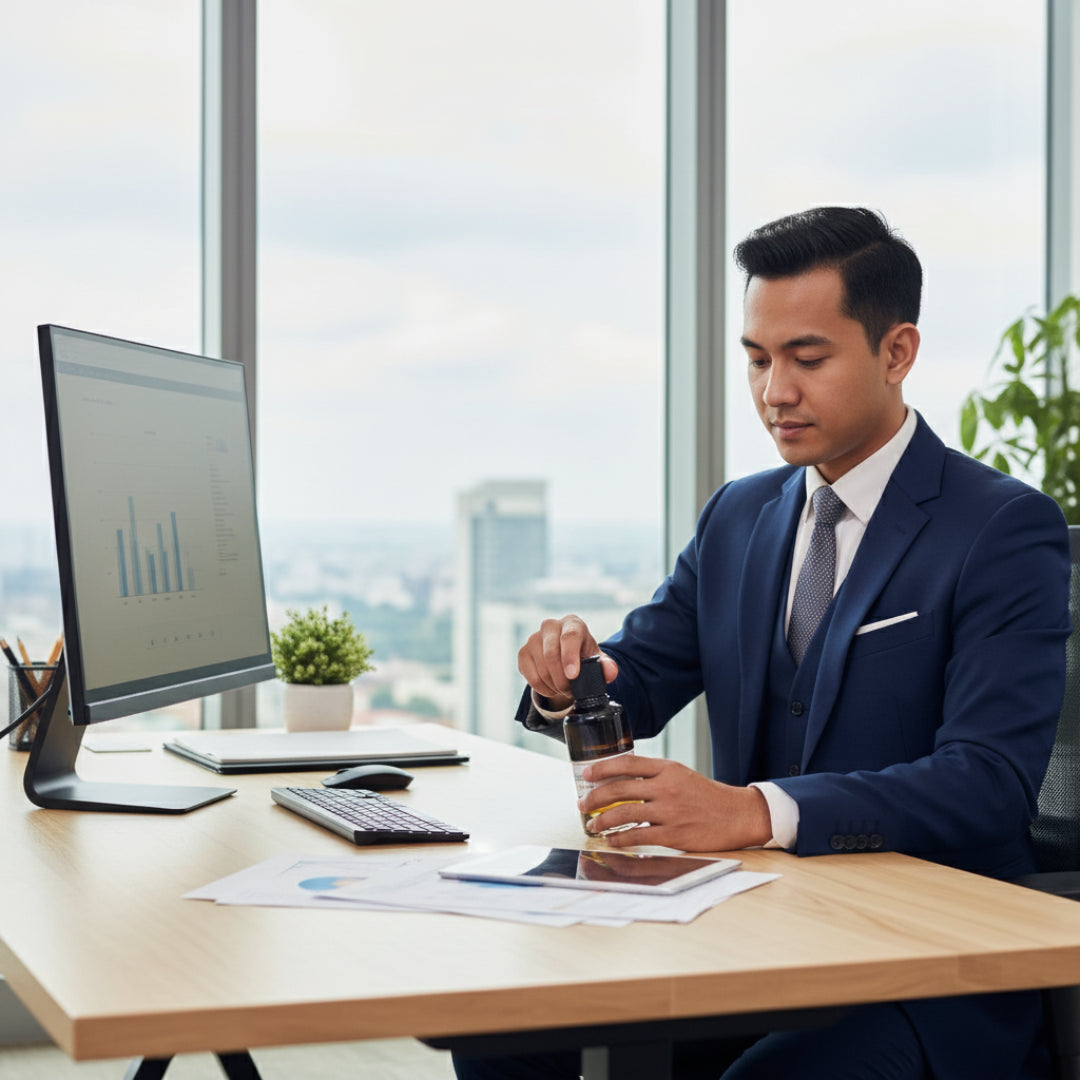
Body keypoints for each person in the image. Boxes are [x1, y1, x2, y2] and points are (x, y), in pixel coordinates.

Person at [452, 207, 1072, 1080]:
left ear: (897, 353)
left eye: (807, 358)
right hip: (744, 933)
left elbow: (990, 786)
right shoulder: (740, 513)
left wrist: (754, 810)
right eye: (757, 359)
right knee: (507, 1017)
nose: (774, 390)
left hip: (919, 968)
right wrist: (567, 681)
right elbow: (643, 681)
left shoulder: (1002, 528)